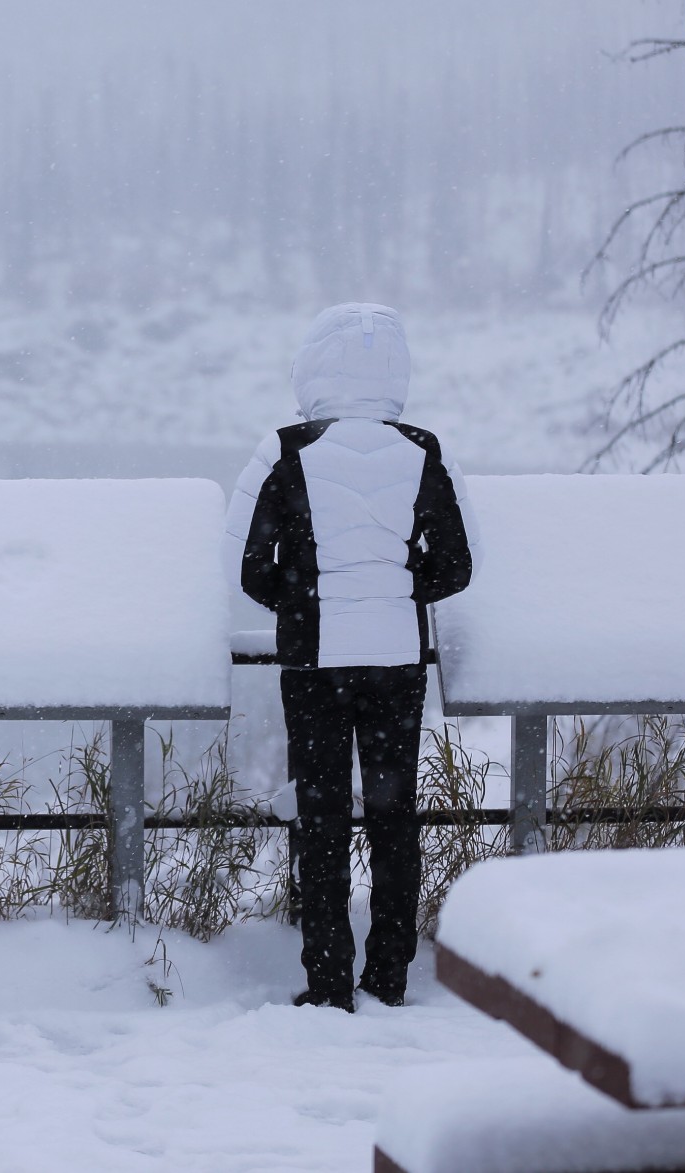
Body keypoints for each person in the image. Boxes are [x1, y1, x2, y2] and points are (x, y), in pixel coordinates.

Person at [224, 302, 475, 1011]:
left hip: (314, 664)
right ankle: (388, 976)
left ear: (313, 368)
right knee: (395, 816)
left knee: (323, 815)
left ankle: (329, 982)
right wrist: (399, 591)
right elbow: (459, 563)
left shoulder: (284, 448)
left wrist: (304, 601)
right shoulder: (424, 449)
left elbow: (244, 562)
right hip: (396, 659)